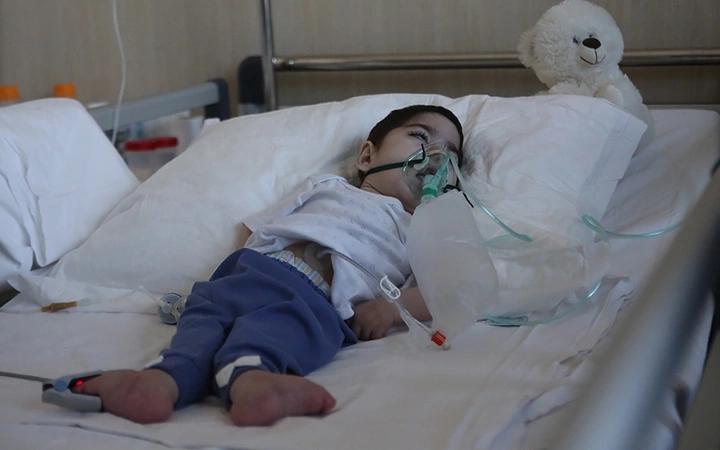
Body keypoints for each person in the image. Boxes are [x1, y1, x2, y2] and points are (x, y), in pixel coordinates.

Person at [74, 104, 465, 427]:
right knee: (204, 320)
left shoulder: (422, 229)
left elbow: (441, 291)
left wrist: (389, 309)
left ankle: (249, 376)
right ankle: (165, 378)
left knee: (276, 328)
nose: (434, 157)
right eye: (420, 137)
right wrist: (223, 278)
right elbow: (256, 227)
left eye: (449, 155)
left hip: (315, 300)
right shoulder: (326, 186)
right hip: (252, 270)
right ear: (367, 156)